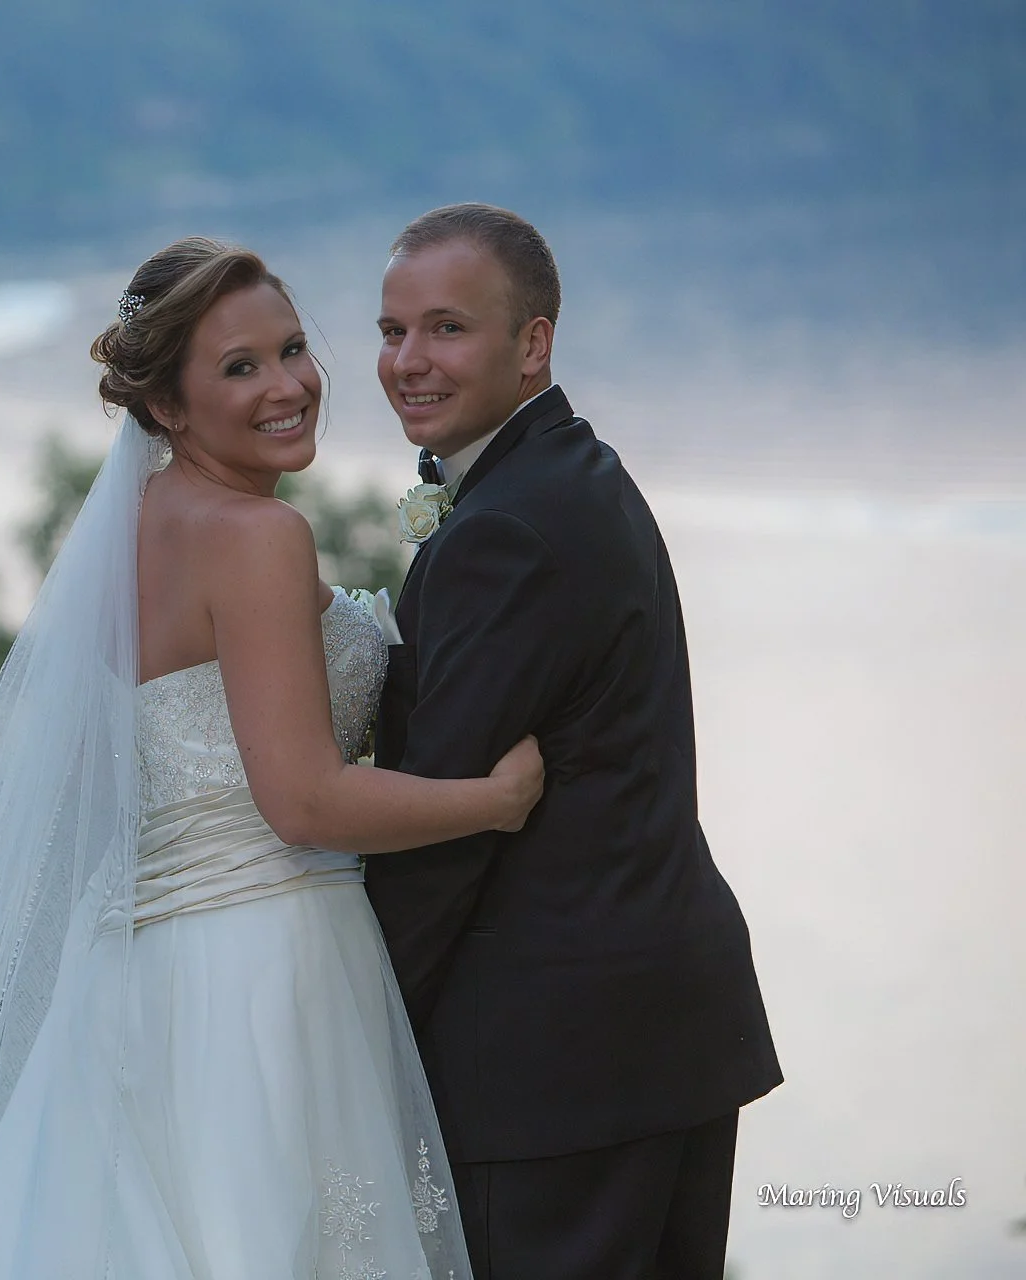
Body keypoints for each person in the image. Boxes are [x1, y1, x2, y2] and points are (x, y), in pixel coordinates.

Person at [0, 237, 542, 1280]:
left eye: (292, 349)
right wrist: (494, 799)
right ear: (166, 407)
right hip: (265, 972)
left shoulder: (135, 534)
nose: (287, 385)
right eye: (240, 367)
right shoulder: (255, 537)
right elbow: (301, 797)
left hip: (139, 983)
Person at [365, 204, 783, 1280]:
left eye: (446, 328)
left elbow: (441, 829)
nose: (408, 361)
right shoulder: (577, 475)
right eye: (392, 329)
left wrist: (352, 1026)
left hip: (557, 1064)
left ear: (533, 342)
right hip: (662, 1031)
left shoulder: (507, 527)